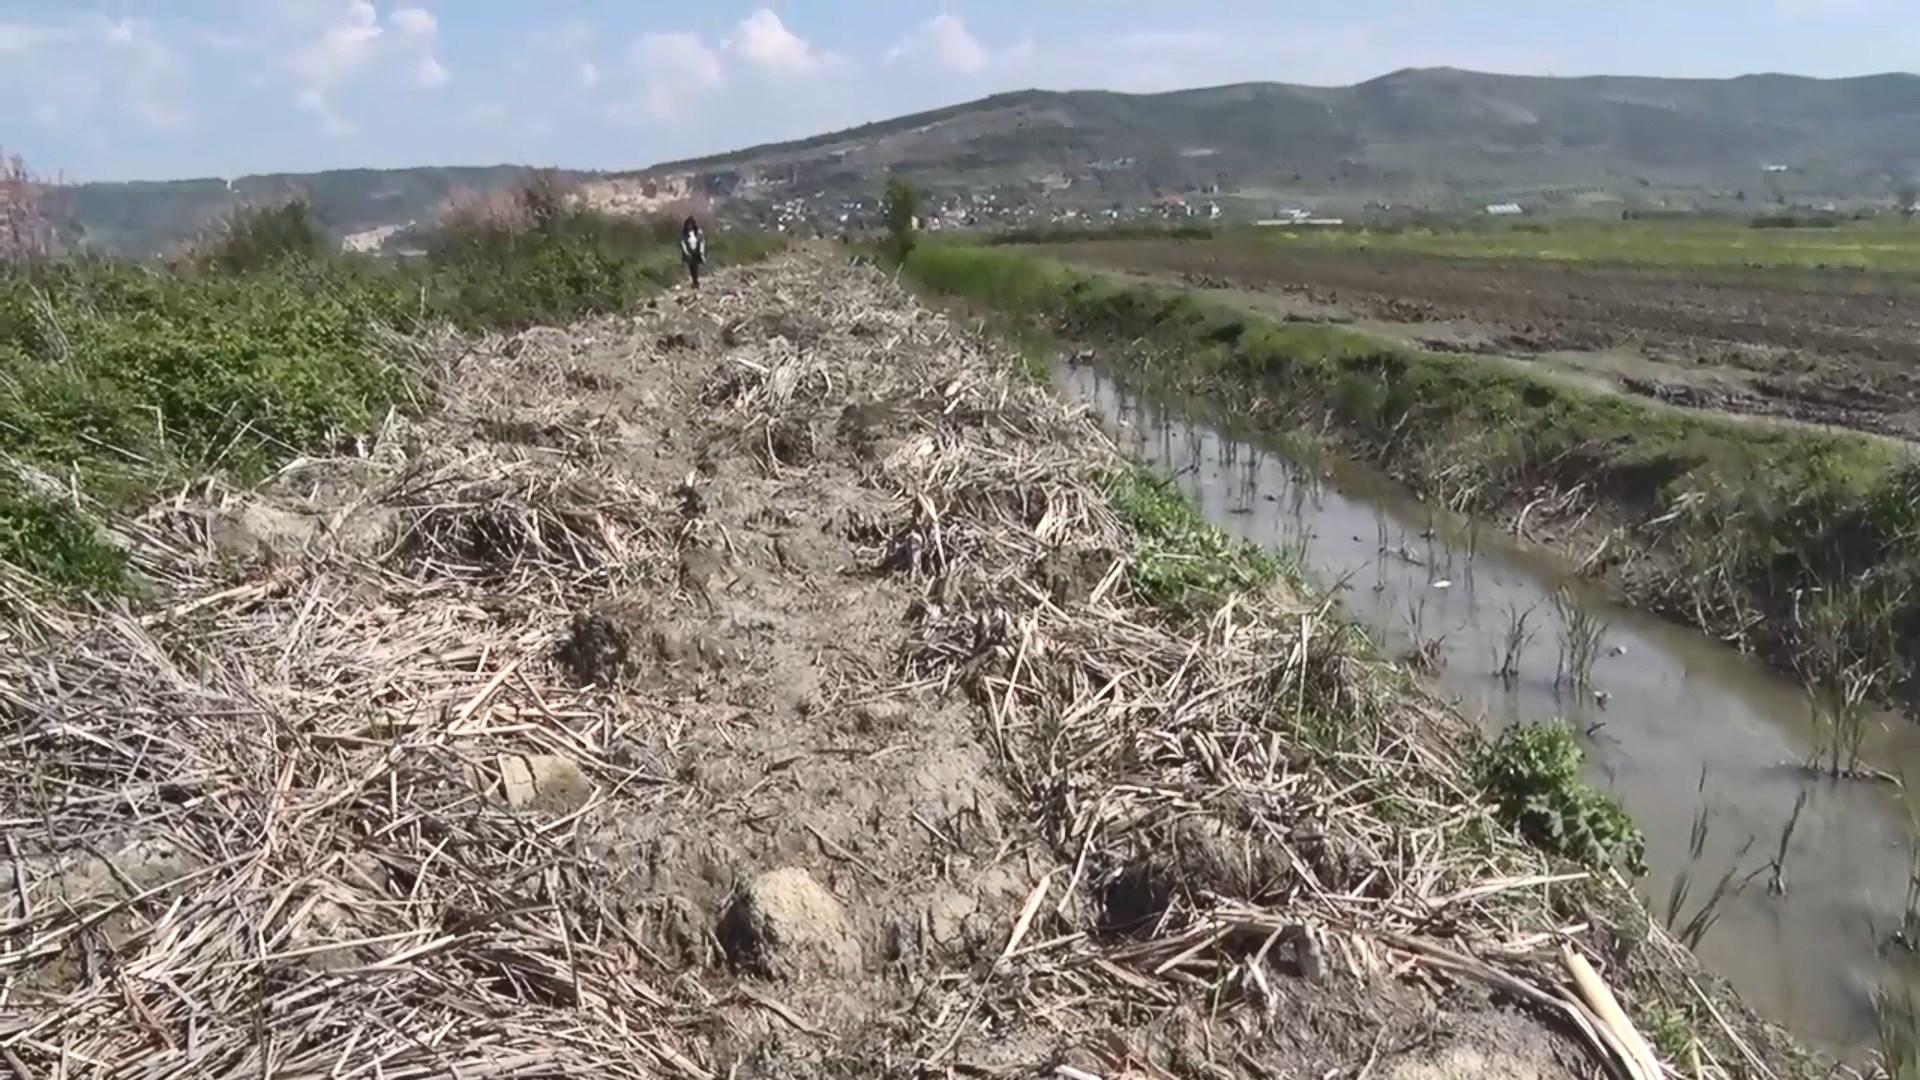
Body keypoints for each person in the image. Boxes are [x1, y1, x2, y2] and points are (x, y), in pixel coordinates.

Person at [680, 215, 706, 288]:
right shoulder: (685, 233)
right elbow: (683, 243)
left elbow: (702, 241)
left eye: (691, 224)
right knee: (691, 267)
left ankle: (696, 281)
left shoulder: (698, 232)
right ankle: (695, 280)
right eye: (688, 224)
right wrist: (686, 252)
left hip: (697, 251)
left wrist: (701, 251)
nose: (689, 226)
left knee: (696, 266)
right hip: (689, 252)